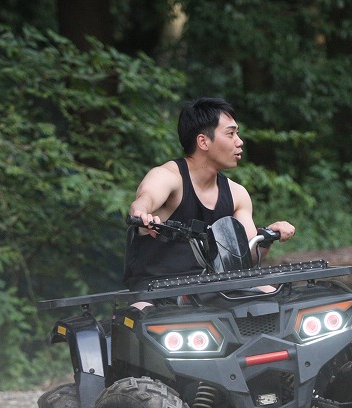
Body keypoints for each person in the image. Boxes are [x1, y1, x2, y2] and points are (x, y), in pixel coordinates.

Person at [123, 97, 295, 292]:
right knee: (143, 310)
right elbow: (145, 199)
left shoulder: (237, 194)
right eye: (230, 134)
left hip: (213, 290)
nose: (240, 142)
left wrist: (268, 236)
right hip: (157, 292)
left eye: (237, 133)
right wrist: (141, 213)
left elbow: (249, 256)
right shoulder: (168, 176)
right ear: (203, 141)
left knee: (272, 295)